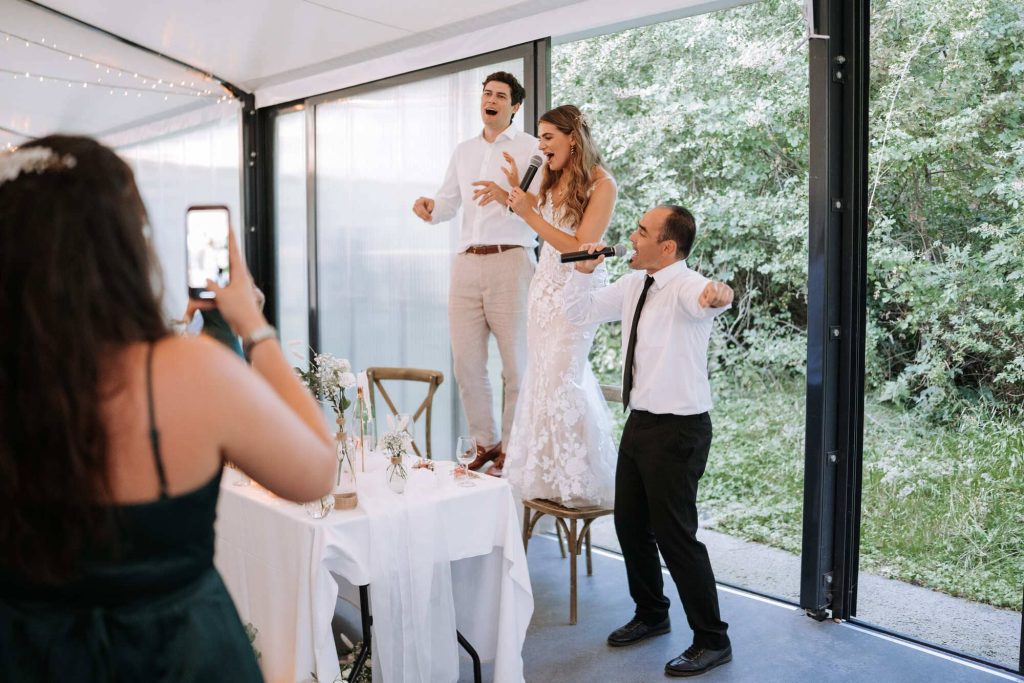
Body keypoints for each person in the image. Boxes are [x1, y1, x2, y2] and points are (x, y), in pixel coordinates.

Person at [0, 136, 336, 681]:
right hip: (182, 660)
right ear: (125, 246)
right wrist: (253, 324)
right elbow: (317, 470)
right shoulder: (190, 370)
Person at [563, 205, 735, 677]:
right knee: (631, 526)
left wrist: (721, 292)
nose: (631, 237)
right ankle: (652, 614)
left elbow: (712, 296)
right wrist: (583, 271)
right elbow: (578, 313)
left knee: (677, 538)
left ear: (668, 247)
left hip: (679, 428)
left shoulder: (684, 285)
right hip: (640, 422)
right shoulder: (634, 283)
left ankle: (713, 639)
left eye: (641, 231)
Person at [412, 71, 539, 475]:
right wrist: (432, 209)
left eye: (501, 96)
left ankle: (514, 451)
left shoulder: (532, 149)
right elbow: (449, 202)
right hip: (466, 262)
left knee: (516, 365)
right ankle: (486, 442)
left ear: (515, 107)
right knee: (466, 364)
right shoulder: (464, 151)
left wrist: (509, 197)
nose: (492, 100)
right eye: (487, 93)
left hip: (512, 260)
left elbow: (540, 208)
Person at [501, 104, 618, 506]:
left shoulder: (602, 185)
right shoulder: (550, 175)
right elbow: (533, 216)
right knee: (541, 381)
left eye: (548, 137)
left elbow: (577, 248)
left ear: (573, 137)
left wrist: (529, 215)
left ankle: (576, 479)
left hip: (576, 287)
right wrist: (516, 194)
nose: (541, 145)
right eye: (540, 137)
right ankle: (545, 477)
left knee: (562, 379)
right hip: (543, 287)